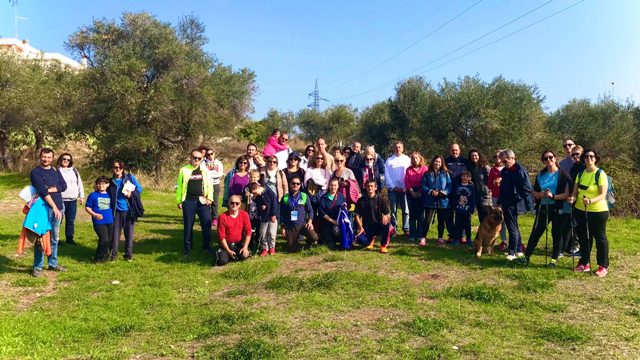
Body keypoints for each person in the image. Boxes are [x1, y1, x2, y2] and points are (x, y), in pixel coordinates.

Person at [519, 150, 571, 267]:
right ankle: (526, 257)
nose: (548, 160)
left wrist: (553, 196)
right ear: (543, 161)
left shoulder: (563, 175)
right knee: (536, 232)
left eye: (550, 157)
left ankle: (553, 260)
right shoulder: (541, 175)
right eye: (545, 159)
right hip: (544, 207)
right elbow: (535, 192)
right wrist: (541, 194)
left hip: (559, 208)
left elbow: (567, 194)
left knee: (556, 233)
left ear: (555, 158)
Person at [567, 149, 610, 277]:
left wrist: (590, 200)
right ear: (583, 159)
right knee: (585, 238)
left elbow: (603, 194)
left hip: (598, 211)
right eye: (586, 156)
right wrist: (572, 199)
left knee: (600, 238)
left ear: (595, 158)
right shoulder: (580, 174)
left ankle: (603, 266)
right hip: (581, 210)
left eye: (591, 156)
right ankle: (584, 263)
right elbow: (575, 192)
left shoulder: (600, 174)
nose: (589, 158)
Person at [30, 148, 67, 277]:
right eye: (44, 157)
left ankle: (53, 263)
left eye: (48, 157)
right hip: (43, 208)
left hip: (58, 207)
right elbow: (42, 191)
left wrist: (50, 189)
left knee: (55, 238)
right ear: (40, 157)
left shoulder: (56, 171)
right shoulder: (35, 172)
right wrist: (54, 206)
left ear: (52, 158)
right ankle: (37, 267)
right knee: (40, 238)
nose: (46, 159)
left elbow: (64, 186)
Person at [176, 149, 214, 257]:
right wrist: (179, 201)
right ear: (190, 158)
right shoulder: (184, 170)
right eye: (194, 158)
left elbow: (209, 185)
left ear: (201, 159)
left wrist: (210, 199)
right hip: (188, 201)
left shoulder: (205, 170)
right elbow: (179, 186)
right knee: (188, 226)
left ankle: (206, 247)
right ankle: (187, 249)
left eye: (199, 158)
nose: (196, 160)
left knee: (206, 224)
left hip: (203, 202)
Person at [496, 149, 533, 261]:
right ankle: (519, 250)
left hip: (514, 203)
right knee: (514, 226)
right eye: (502, 162)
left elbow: (527, 188)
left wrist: (516, 198)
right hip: (506, 201)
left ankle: (511, 252)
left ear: (513, 158)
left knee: (512, 227)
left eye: (506, 161)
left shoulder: (520, 170)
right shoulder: (505, 171)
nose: (504, 164)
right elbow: (503, 186)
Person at [108, 160, 143, 262]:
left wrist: (131, 194)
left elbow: (139, 189)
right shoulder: (110, 182)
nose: (117, 169)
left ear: (123, 169)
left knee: (129, 234)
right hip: (115, 212)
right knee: (114, 235)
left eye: (119, 167)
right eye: (115, 167)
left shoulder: (130, 178)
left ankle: (128, 255)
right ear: (112, 169)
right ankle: (113, 255)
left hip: (129, 211)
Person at [280, 176, 318, 252]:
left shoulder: (304, 196)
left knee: (314, 237)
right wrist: (283, 226)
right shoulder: (285, 197)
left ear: (300, 185)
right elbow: (281, 213)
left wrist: (310, 222)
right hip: (290, 226)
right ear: (289, 184)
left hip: (302, 225)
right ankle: (295, 244)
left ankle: (308, 243)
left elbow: (310, 210)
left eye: (298, 184)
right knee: (293, 250)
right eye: (293, 183)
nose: (295, 185)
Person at [421, 155, 453, 246]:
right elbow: (423, 186)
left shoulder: (446, 173)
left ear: (442, 163)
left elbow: (450, 185)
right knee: (427, 220)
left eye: (439, 162)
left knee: (441, 220)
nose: (437, 163)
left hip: (442, 200)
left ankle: (440, 237)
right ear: (433, 162)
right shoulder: (427, 174)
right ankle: (423, 237)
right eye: (436, 161)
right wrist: (430, 191)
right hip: (430, 200)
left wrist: (445, 192)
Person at [354, 180, 392, 253]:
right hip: (367, 227)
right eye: (368, 186)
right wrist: (361, 228)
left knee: (386, 224)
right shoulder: (361, 200)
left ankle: (383, 245)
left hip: (379, 225)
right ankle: (370, 241)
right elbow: (357, 215)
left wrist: (386, 216)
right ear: (365, 187)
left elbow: (388, 214)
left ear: (375, 187)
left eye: (372, 186)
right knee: (360, 240)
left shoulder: (381, 199)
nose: (370, 188)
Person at [384, 141, 411, 236]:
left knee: (406, 210)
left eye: (399, 147)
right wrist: (393, 187)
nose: (398, 149)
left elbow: (409, 173)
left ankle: (406, 228)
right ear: (393, 149)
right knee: (393, 210)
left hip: (404, 189)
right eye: (396, 147)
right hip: (393, 190)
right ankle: (394, 229)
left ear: (403, 148)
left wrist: (405, 187)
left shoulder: (407, 159)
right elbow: (386, 175)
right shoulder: (389, 160)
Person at [57, 152, 84, 245]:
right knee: (58, 220)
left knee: (71, 220)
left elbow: (79, 183)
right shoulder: (57, 171)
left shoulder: (74, 171)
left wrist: (81, 196)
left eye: (68, 160)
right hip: (61, 199)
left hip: (73, 200)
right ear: (60, 160)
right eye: (64, 159)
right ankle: (56, 238)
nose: (66, 161)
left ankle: (69, 238)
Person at [216, 195, 252, 266]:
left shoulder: (244, 215)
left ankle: (233, 255)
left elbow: (249, 231)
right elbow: (221, 236)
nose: (234, 205)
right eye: (232, 203)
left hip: (238, 243)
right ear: (228, 203)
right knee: (222, 261)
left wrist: (245, 247)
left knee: (244, 255)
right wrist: (228, 251)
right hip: (226, 244)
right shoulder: (222, 217)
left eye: (237, 203)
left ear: (240, 204)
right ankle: (225, 254)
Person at [85, 176, 113, 263]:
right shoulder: (93, 195)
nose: (101, 185)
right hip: (99, 221)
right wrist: (94, 214)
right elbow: (87, 207)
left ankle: (105, 256)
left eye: (103, 184)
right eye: (99, 184)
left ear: (107, 185)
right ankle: (98, 257)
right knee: (103, 239)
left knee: (109, 240)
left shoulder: (110, 195)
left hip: (110, 220)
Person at [564, 145, 585, 255]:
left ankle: (583, 249)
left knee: (582, 224)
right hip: (574, 198)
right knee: (575, 223)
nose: (575, 156)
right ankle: (575, 245)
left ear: (582, 154)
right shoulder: (574, 167)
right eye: (573, 154)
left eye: (577, 154)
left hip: (585, 200)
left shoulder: (585, 167)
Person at [444, 143, 468, 240]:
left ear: (459, 151)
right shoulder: (445, 161)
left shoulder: (465, 161)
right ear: (450, 151)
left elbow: (469, 174)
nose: (455, 152)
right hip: (449, 191)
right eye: (453, 150)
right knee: (448, 214)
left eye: (456, 150)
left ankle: (461, 235)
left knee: (461, 214)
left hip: (461, 192)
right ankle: (452, 234)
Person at [248, 182, 279, 256]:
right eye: (254, 193)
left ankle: (272, 247)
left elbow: (274, 203)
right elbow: (257, 204)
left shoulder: (269, 191)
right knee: (263, 233)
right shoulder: (258, 196)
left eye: (256, 192)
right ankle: (265, 248)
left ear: (258, 188)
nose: (256, 194)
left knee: (272, 232)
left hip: (271, 216)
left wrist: (274, 214)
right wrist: (261, 206)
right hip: (264, 217)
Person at [404, 152, 428, 244]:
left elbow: (425, 181)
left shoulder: (424, 169)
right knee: (412, 214)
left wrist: (419, 192)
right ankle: (412, 234)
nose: (415, 159)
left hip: (421, 192)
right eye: (413, 158)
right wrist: (412, 192)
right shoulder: (408, 169)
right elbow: (406, 181)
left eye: (416, 158)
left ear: (420, 158)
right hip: (410, 192)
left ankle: (420, 234)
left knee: (421, 215)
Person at [318, 177, 346, 248]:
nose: (333, 187)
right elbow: (322, 213)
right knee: (331, 246)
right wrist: (333, 221)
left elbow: (344, 210)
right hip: (327, 224)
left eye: (335, 185)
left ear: (338, 186)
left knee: (344, 243)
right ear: (329, 186)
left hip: (338, 223)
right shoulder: (323, 198)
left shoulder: (341, 196)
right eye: (331, 185)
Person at [487, 150, 507, 250]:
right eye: (495, 157)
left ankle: (514, 241)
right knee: (500, 219)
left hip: (507, 196)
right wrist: (494, 183)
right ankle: (503, 241)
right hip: (496, 196)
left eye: (499, 156)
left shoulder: (508, 168)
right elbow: (489, 184)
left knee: (509, 219)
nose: (497, 158)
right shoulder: (493, 170)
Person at [468, 149, 492, 224]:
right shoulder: (472, 168)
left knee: (487, 218)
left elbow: (491, 178)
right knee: (481, 218)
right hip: (477, 195)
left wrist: (489, 190)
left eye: (475, 155)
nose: (474, 157)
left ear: (479, 156)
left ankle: (488, 235)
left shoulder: (485, 167)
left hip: (486, 196)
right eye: (472, 156)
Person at [452, 171, 475, 247]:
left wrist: (472, 208)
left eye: (467, 176)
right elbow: (454, 197)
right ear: (461, 177)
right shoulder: (457, 186)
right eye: (463, 176)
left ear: (470, 178)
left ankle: (468, 238)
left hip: (467, 210)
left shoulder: (471, 187)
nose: (465, 177)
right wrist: (454, 206)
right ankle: (456, 238)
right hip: (458, 209)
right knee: (457, 224)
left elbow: (473, 199)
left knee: (467, 225)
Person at [204, 148, 224, 229]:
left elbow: (220, 173)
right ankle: (207, 217)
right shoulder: (203, 163)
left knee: (215, 201)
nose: (210, 155)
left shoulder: (218, 163)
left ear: (214, 153)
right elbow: (204, 172)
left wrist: (211, 175)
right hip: (206, 184)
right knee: (206, 201)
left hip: (215, 183)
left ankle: (215, 218)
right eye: (208, 154)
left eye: (211, 153)